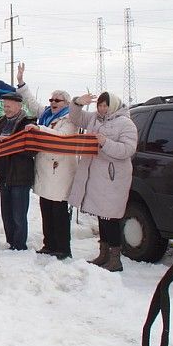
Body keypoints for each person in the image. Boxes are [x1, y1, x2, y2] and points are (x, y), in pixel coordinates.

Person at [68, 91, 138, 272]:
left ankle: (115, 259)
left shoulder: (125, 123)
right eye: (99, 105)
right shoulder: (94, 119)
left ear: (113, 105)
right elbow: (76, 118)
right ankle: (103, 254)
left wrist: (105, 142)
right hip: (95, 176)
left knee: (110, 217)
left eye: (105, 105)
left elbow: (127, 150)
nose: (102, 108)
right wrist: (77, 102)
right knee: (102, 216)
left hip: (112, 178)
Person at [16, 64, 77, 259]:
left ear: (66, 103)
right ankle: (49, 243)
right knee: (46, 209)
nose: (53, 102)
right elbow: (32, 103)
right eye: (51, 99)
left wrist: (39, 129)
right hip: (44, 170)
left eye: (57, 100)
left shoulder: (69, 119)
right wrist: (21, 82)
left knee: (59, 211)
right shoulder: (45, 115)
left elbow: (62, 136)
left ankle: (62, 248)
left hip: (59, 169)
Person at [0, 92, 36, 251]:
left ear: (19, 106)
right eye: (4, 106)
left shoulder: (28, 124)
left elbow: (31, 150)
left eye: (8, 106)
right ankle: (10, 242)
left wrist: (10, 144)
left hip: (20, 175)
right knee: (6, 214)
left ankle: (19, 245)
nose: (5, 109)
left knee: (19, 215)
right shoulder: (1, 122)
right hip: (3, 175)